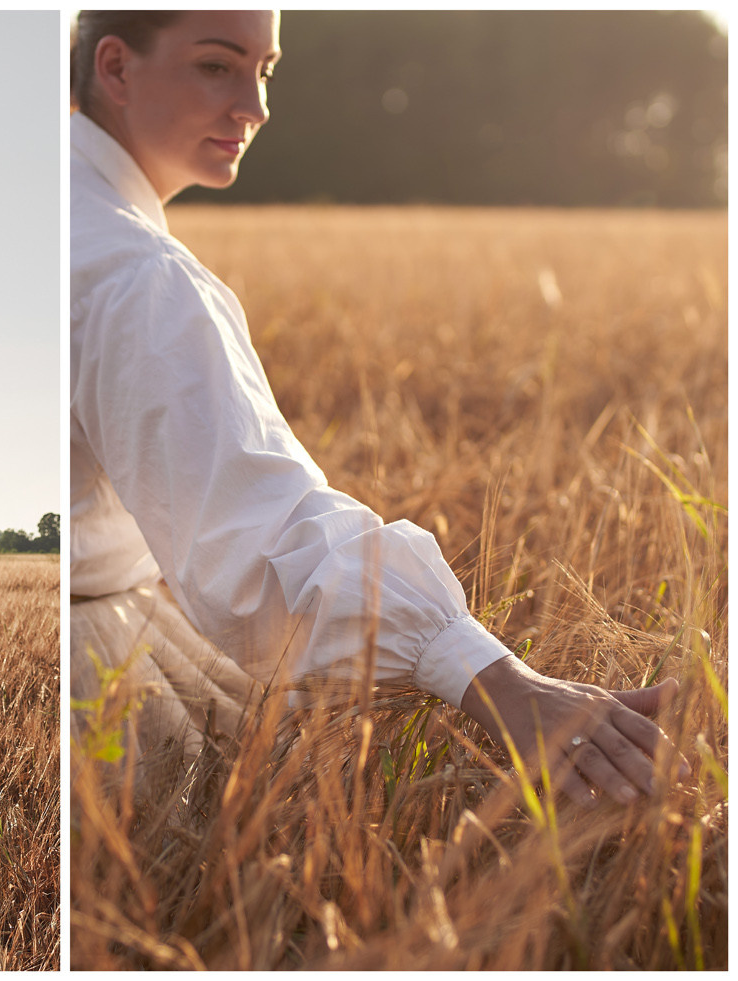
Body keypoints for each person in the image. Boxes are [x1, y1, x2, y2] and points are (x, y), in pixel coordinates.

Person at [67, 10, 686, 807]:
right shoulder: (137, 273)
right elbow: (263, 543)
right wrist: (498, 678)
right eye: (218, 67)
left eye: (267, 70)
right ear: (114, 68)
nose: (255, 108)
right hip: (93, 671)